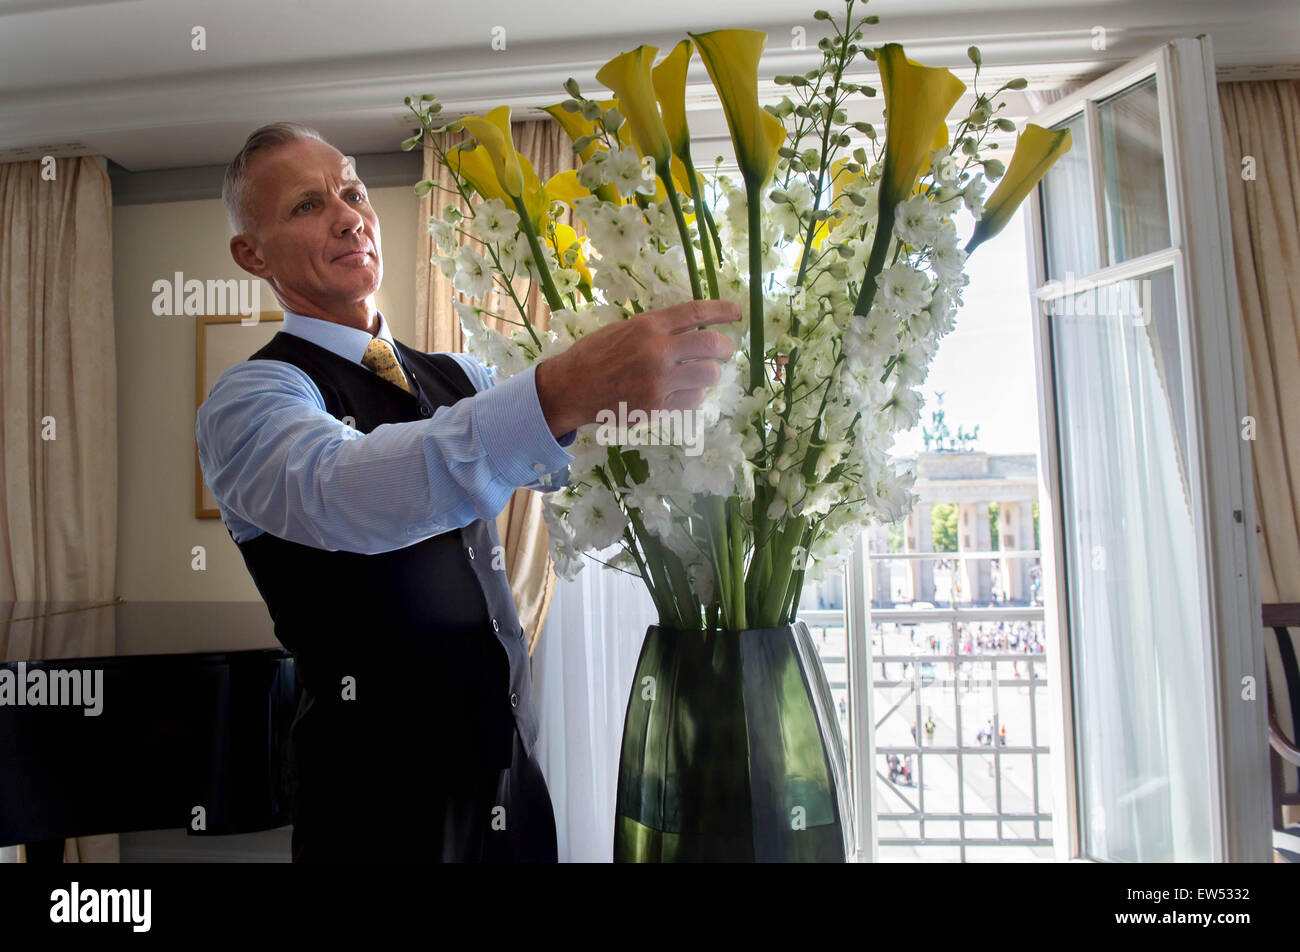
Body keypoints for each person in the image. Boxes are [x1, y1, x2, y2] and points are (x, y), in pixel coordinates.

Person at [195, 123, 739, 863]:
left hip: (511, 784)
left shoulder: (456, 375)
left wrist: (707, 411)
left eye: (352, 192)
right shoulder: (252, 398)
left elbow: (586, 460)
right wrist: (557, 393)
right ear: (250, 254)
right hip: (375, 814)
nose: (350, 215)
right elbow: (346, 488)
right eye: (306, 206)